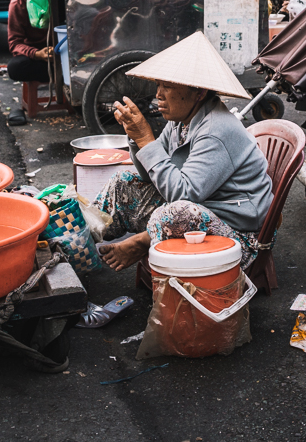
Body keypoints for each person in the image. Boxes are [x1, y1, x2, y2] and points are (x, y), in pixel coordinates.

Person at [90, 32, 274, 273]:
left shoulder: (216, 130)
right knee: (123, 183)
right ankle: (80, 240)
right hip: (201, 208)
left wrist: (147, 139)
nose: (158, 95)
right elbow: (149, 175)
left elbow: (183, 195)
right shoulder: (181, 120)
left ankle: (141, 243)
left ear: (198, 92)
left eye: (167, 86)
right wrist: (137, 138)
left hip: (239, 234)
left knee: (174, 212)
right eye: (158, 85)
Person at [5, 0, 54, 126]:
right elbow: (15, 44)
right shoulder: (19, 1)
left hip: (61, 55)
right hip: (37, 59)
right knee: (15, 67)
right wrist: (37, 54)